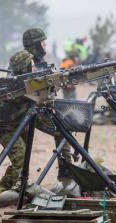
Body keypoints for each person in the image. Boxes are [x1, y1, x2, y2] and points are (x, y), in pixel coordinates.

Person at [22, 28, 73, 187]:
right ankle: (66, 175)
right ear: (35, 45)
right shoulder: (26, 62)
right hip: (25, 110)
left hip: (35, 108)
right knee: (62, 130)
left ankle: (66, 173)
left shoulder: (36, 61)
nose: (45, 46)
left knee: (63, 130)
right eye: (43, 43)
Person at [0, 50, 37, 201]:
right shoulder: (13, 85)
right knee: (20, 159)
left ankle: (20, 186)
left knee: (25, 157)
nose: (35, 68)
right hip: (4, 128)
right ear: (25, 68)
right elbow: (29, 97)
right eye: (32, 65)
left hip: (18, 123)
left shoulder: (23, 81)